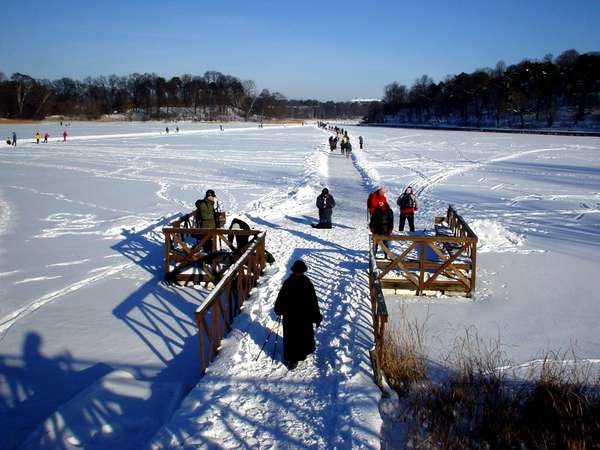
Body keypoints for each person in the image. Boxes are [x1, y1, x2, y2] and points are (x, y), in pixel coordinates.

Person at [274, 260, 322, 369]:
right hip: (304, 317)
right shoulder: (307, 283)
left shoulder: (288, 282)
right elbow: (313, 302)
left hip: (290, 317)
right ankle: (299, 355)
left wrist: (279, 310)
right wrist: (316, 317)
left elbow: (280, 298)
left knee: (292, 337)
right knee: (302, 336)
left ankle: (293, 359)